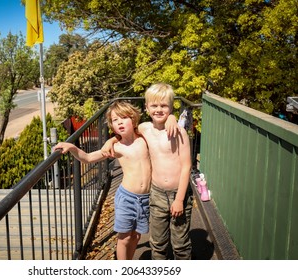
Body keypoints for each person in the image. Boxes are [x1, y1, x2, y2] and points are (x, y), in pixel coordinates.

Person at [102, 83, 193, 260]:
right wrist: (110, 141)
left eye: (164, 106)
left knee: (180, 244)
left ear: (171, 107)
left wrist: (180, 199)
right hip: (156, 193)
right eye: (154, 105)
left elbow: (186, 166)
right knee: (158, 243)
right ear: (147, 107)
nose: (159, 109)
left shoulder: (179, 132)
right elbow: (126, 132)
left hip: (178, 194)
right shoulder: (144, 128)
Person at [53, 101, 152, 260]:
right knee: (125, 237)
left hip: (145, 199)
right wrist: (71, 147)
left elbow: (160, 125)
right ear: (111, 126)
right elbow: (89, 158)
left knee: (136, 236)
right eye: (115, 120)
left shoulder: (145, 137)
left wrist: (172, 120)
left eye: (124, 117)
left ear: (133, 119)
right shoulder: (116, 147)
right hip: (127, 198)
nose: (119, 122)